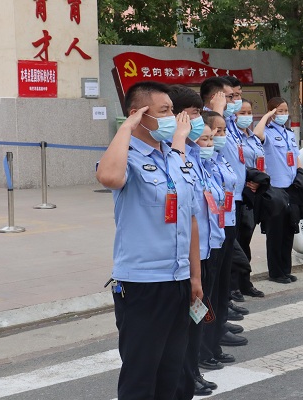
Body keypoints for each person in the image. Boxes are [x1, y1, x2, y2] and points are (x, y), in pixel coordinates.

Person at [96, 81, 202, 400]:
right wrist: (126, 128)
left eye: (173, 110)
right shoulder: (125, 157)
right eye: (164, 111)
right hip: (142, 285)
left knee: (172, 372)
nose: (173, 117)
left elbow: (191, 218)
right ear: (138, 114)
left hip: (179, 280)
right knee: (141, 376)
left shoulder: (175, 157)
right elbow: (109, 177)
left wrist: (195, 276)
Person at [167, 85, 220, 398]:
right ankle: (186, 373)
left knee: (197, 316)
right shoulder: (175, 154)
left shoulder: (197, 152)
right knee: (186, 322)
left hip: (203, 247)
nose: (200, 121)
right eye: (196, 113)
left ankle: (193, 371)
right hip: (183, 255)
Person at [199, 111, 248, 373]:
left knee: (218, 293)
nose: (215, 139)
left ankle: (213, 343)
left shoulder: (218, 160)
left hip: (223, 229)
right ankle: (204, 349)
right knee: (205, 296)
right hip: (208, 237)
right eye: (208, 136)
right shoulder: (197, 165)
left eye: (219, 133)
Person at [254, 97, 300, 284]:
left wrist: (302, 178)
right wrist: (268, 116)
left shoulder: (289, 134)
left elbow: (296, 157)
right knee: (275, 233)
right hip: (275, 189)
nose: (283, 114)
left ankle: (286, 269)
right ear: (272, 112)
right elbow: (257, 133)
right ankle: (276, 272)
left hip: (291, 187)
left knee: (289, 230)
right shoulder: (267, 132)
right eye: (279, 111)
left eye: (285, 110)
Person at [230, 98, 265, 298]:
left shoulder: (252, 138)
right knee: (233, 243)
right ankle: (233, 286)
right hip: (236, 194)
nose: (246, 116)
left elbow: (259, 163)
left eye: (248, 112)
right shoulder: (231, 137)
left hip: (252, 194)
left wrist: (258, 181)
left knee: (246, 240)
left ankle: (245, 283)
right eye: (241, 113)